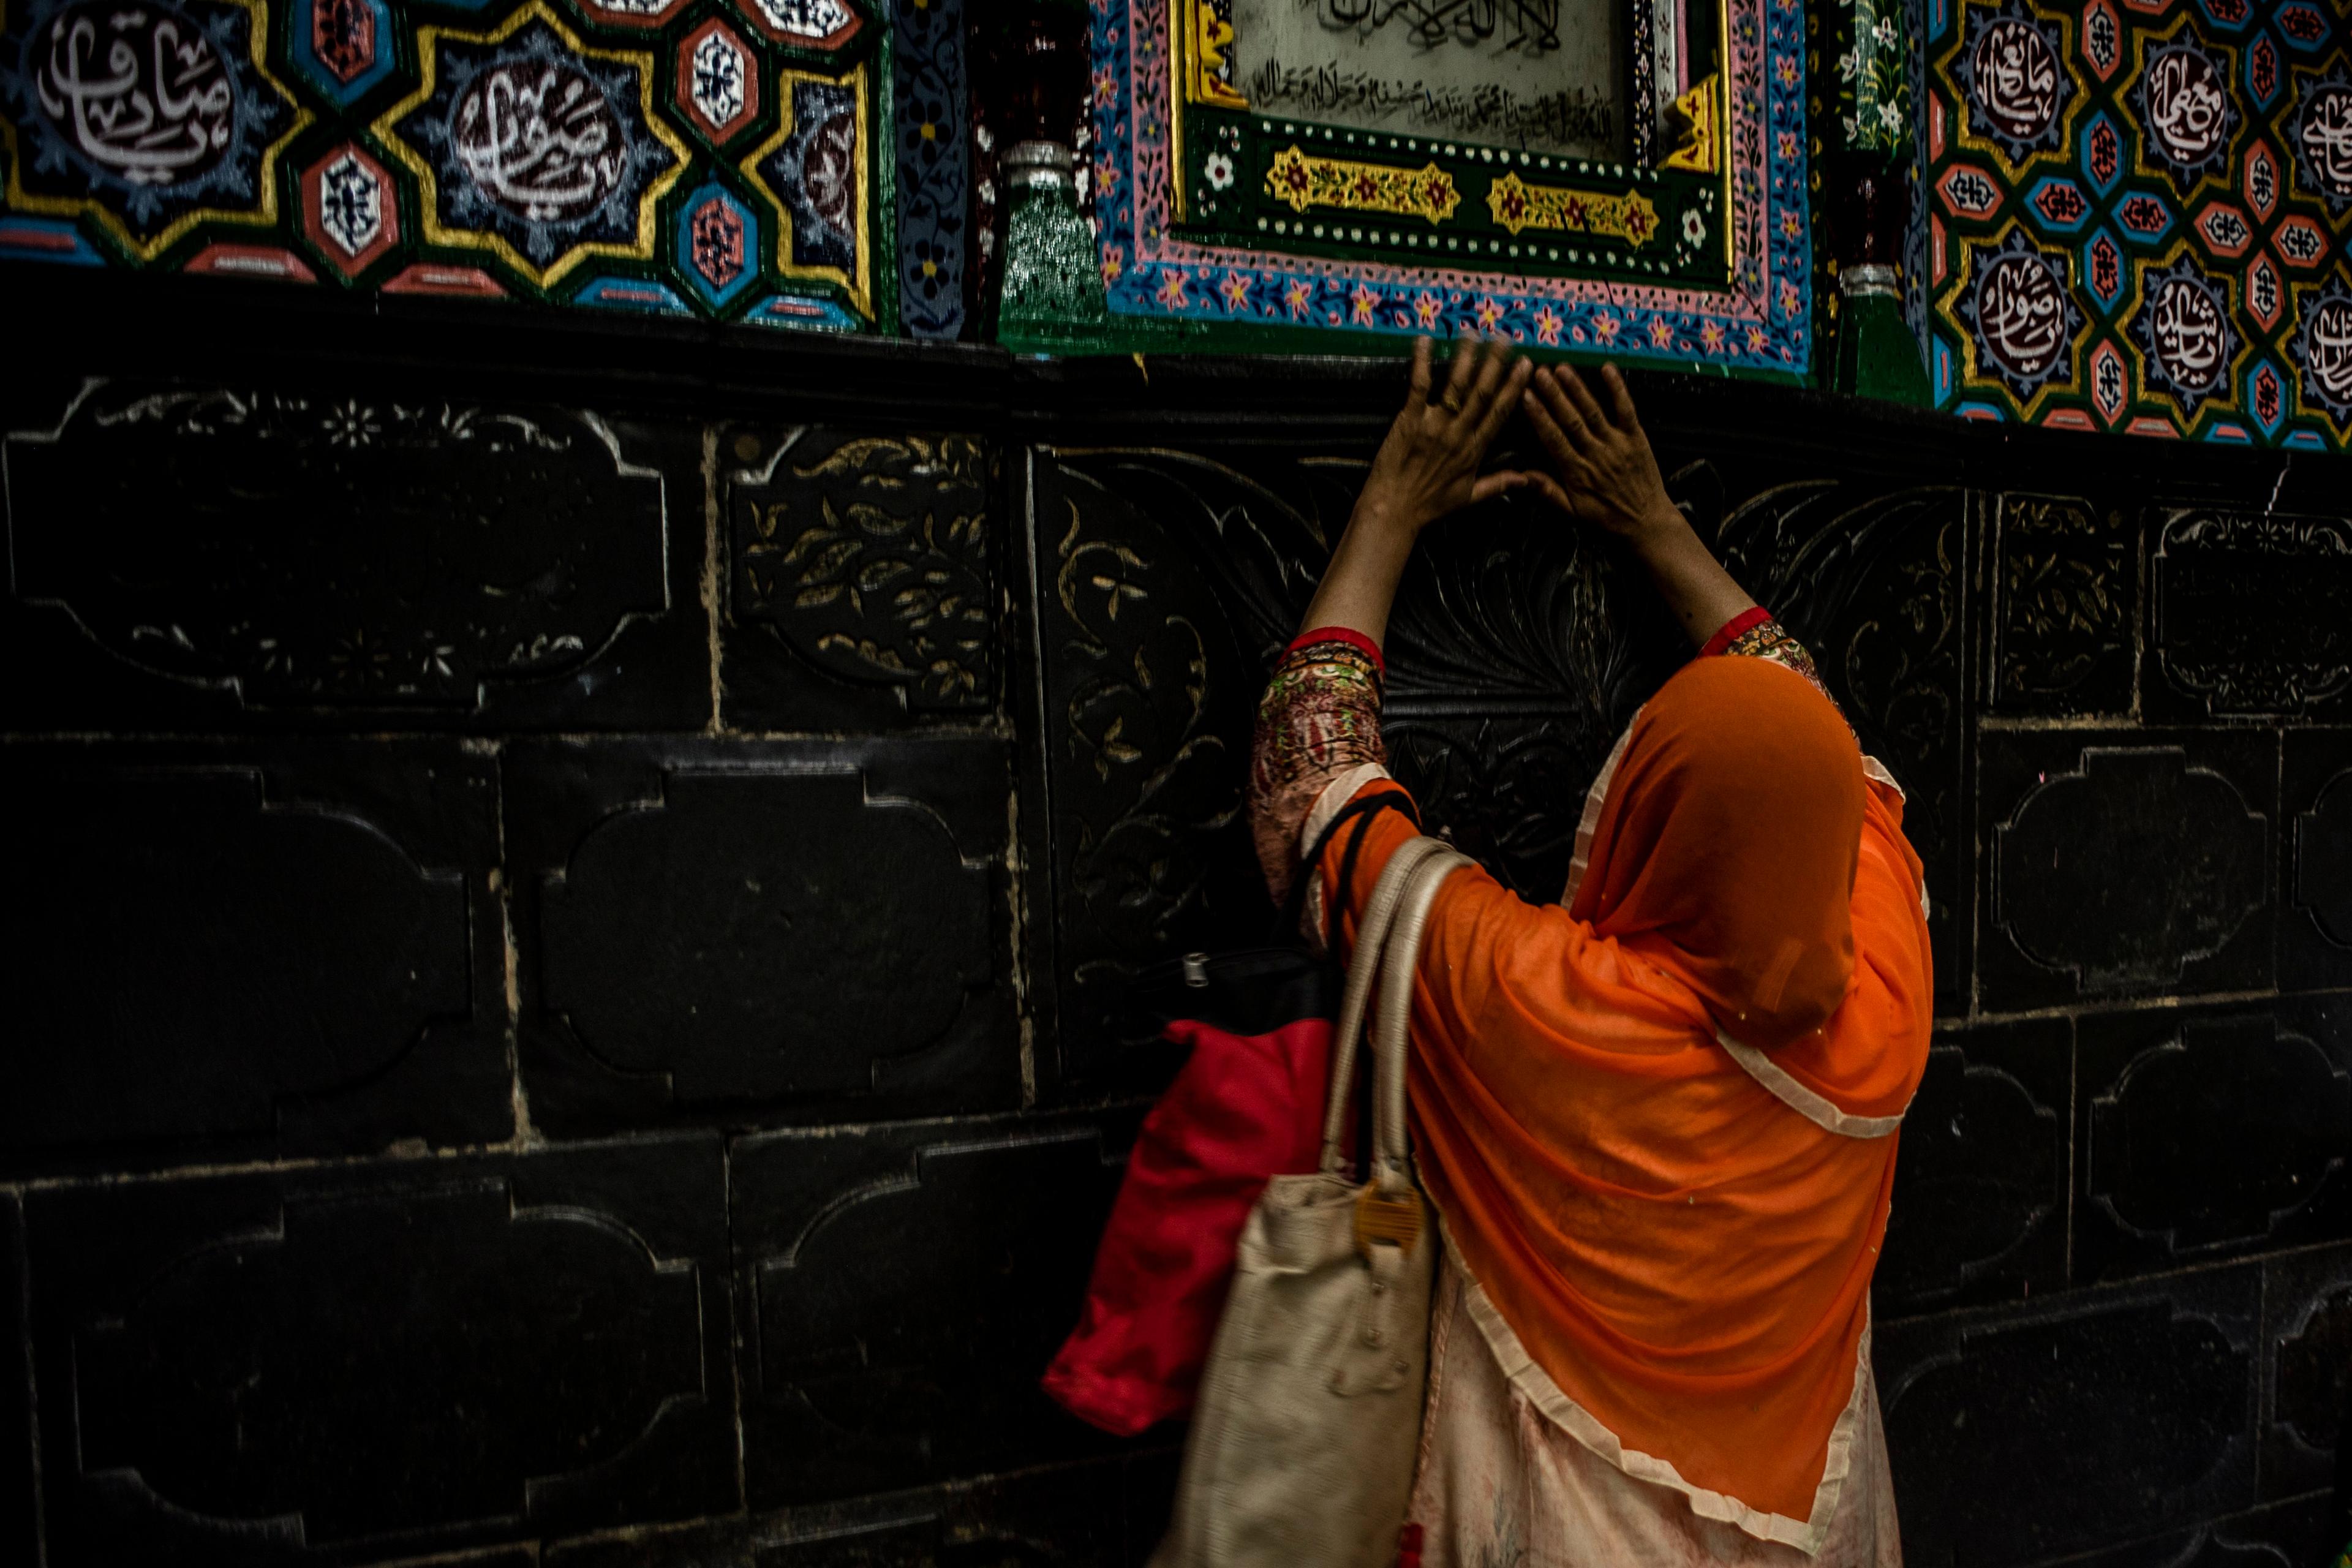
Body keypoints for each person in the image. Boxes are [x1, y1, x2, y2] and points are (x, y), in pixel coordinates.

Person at [1246, 336, 1933, 1564]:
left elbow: (1314, 792)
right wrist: (1658, 523)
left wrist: (1391, 505)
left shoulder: (1533, 997)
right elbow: (1820, 745)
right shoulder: (1883, 982)